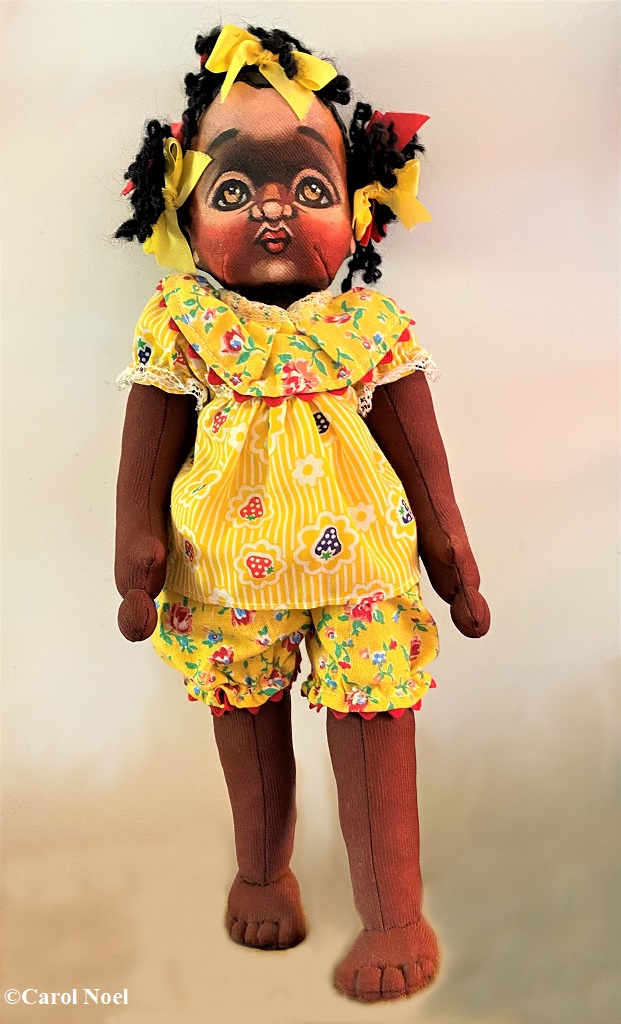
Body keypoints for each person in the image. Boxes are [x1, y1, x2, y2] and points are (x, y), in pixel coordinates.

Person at [114, 23, 490, 1004]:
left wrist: (452, 558)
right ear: (180, 210)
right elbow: (147, 443)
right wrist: (136, 553)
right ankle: (261, 872)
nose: (274, 209)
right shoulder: (187, 323)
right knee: (244, 713)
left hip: (364, 571)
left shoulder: (369, 326)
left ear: (360, 213)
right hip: (223, 569)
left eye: (310, 188)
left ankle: (392, 913)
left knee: (377, 717)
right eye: (235, 189)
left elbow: (422, 457)